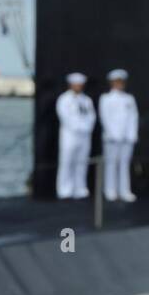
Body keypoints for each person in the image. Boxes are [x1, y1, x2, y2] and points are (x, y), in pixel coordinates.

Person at [99, 68, 139, 203]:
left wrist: (132, 135)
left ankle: (124, 190)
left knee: (124, 164)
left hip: (126, 138)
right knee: (111, 164)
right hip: (112, 138)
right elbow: (105, 117)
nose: (119, 83)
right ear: (111, 83)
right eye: (117, 81)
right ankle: (110, 190)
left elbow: (133, 117)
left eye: (121, 81)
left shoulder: (129, 98)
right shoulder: (106, 98)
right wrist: (113, 134)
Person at [55, 71, 95, 199]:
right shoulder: (64, 99)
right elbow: (65, 117)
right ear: (71, 85)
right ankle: (64, 189)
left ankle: (80, 188)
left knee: (82, 162)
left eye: (80, 84)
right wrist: (78, 127)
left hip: (84, 135)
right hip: (70, 135)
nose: (78, 86)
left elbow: (91, 116)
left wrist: (86, 128)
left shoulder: (86, 100)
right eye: (76, 84)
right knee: (67, 162)